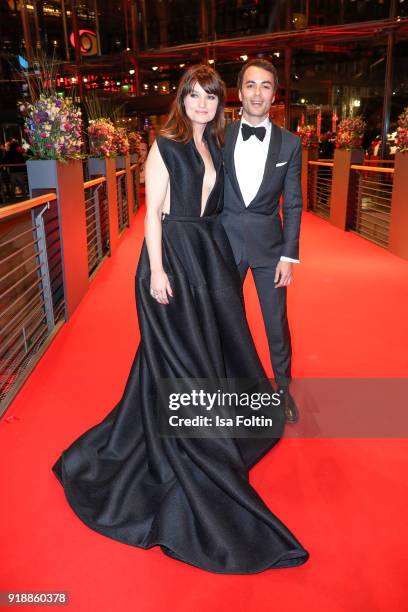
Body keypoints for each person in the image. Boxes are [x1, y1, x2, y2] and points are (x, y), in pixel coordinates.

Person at [51, 65, 309, 574]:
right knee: (180, 356)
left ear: (218, 103)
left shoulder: (212, 143)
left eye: (209, 97)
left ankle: (166, 425)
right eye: (194, 96)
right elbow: (152, 214)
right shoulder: (164, 145)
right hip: (170, 264)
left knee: (187, 356)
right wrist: (156, 273)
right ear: (182, 99)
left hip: (207, 259)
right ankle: (188, 455)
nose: (202, 104)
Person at [220, 59, 302, 424]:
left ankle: (282, 391)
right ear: (240, 93)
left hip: (271, 248)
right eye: (251, 85)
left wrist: (289, 256)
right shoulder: (219, 135)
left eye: (265, 86)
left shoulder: (291, 144)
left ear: (274, 94)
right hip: (225, 242)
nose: (257, 93)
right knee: (222, 318)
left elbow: (295, 203)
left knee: (275, 323)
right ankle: (224, 388)